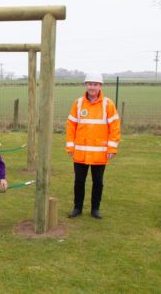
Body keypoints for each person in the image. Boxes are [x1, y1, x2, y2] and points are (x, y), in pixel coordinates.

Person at [65, 72, 120, 219]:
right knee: (79, 181)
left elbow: (114, 127)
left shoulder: (108, 104)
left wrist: (112, 148)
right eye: (90, 84)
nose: (92, 87)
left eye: (95, 84)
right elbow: (71, 126)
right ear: (86, 85)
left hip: (99, 152)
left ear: (100, 86)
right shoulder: (78, 103)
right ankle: (77, 208)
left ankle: (95, 209)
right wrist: (70, 146)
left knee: (98, 182)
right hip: (80, 152)